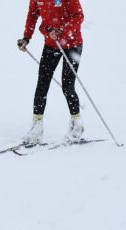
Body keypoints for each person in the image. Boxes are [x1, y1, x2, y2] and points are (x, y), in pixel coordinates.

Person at [17, 0, 84, 144]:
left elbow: (78, 16)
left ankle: (76, 125)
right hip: (51, 44)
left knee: (68, 86)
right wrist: (26, 38)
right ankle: (37, 127)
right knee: (42, 84)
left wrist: (62, 30)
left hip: (72, 44)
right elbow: (33, 15)